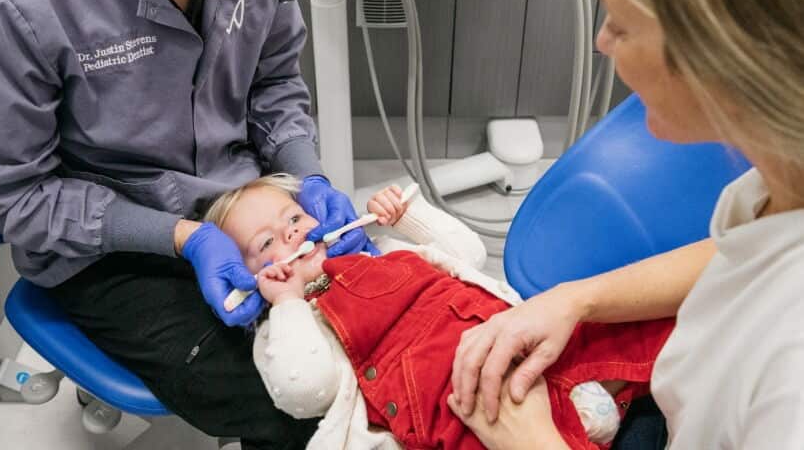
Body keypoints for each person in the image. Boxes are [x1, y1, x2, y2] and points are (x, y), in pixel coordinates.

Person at [0, 0, 376, 447]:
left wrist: (307, 179)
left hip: (244, 204)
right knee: (305, 401)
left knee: (386, 332)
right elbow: (10, 198)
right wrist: (183, 238)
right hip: (110, 253)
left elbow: (272, 85)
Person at [449, 0, 804, 448]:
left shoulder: (788, 385)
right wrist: (577, 300)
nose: (601, 41)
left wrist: (534, 442)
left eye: (620, 22)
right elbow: (739, 255)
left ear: (721, 54)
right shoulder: (779, 183)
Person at [205, 175, 675, 449]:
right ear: (244, 277)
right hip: (451, 402)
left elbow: (468, 254)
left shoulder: (378, 251)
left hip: (507, 337)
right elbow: (305, 391)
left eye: (293, 219)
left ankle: (610, 398)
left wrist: (408, 217)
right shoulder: (288, 325)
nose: (289, 236)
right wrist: (285, 306)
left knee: (634, 333)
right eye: (265, 243)